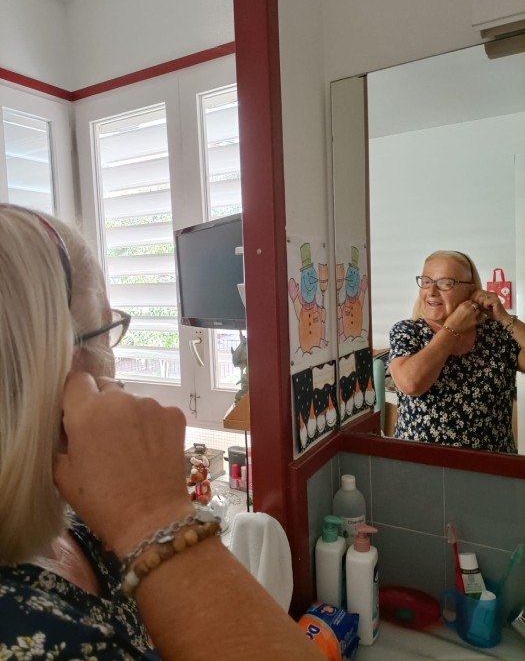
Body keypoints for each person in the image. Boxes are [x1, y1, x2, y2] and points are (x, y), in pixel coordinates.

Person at [0, 205, 324, 660]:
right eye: (105, 331)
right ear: (56, 365)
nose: (114, 363)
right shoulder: (32, 639)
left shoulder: (77, 521)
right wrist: (152, 512)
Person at [388, 250, 525, 452]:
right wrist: (451, 330)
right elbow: (411, 384)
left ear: (471, 290)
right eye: (426, 281)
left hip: (491, 465)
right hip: (420, 464)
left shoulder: (496, 333)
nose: (431, 291)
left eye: (445, 283)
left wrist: (504, 318)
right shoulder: (407, 331)